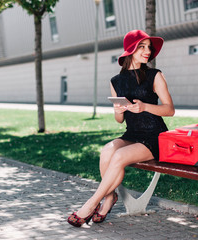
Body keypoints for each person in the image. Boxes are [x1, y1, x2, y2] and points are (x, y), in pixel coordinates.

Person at [67, 29, 175, 227]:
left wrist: (144, 106)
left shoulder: (155, 75)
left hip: (154, 136)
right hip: (132, 134)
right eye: (142, 47)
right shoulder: (116, 81)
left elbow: (170, 110)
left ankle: (92, 204)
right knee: (107, 151)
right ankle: (109, 198)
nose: (147, 51)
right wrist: (118, 110)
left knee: (118, 157)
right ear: (130, 50)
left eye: (149, 47)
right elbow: (119, 120)